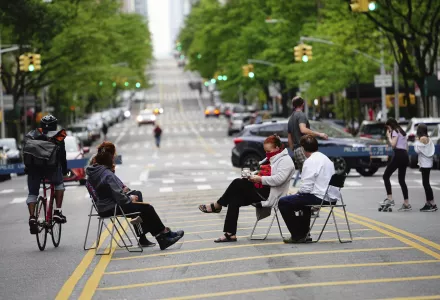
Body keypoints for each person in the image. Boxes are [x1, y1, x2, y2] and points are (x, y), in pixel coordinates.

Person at [86, 142, 184, 250]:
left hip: (104, 206)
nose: (114, 158)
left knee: (141, 204)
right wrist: (130, 198)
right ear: (110, 158)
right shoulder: (107, 174)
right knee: (147, 208)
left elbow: (110, 190)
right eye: (113, 156)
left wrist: (126, 193)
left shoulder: (95, 171)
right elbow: (120, 197)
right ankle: (162, 235)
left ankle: (160, 236)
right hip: (111, 207)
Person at [198, 135, 295, 242]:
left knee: (237, 183)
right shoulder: (272, 157)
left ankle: (217, 205)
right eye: (265, 151)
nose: (267, 153)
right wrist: (251, 175)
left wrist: (259, 179)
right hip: (261, 189)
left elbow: (279, 179)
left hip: (270, 194)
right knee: (234, 198)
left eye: (268, 150)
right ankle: (230, 234)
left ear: (277, 148)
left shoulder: (285, 160)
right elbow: (262, 172)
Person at [278, 135, 340, 243]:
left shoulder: (310, 161)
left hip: (320, 197)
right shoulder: (326, 159)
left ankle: (297, 235)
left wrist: (296, 193)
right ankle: (305, 234)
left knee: (283, 202)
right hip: (332, 197)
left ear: (302, 148)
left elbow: (306, 189)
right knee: (301, 201)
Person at [25, 115, 67, 234]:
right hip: (51, 168)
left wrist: (27, 168)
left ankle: (32, 217)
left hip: (33, 169)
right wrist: (64, 170)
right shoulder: (59, 136)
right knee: (59, 184)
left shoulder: (32, 134)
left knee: (32, 194)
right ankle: (57, 212)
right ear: (55, 124)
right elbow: (62, 155)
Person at [288, 96, 328, 172]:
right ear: (303, 104)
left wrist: (293, 149)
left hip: (296, 150)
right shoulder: (301, 115)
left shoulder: (291, 118)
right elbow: (303, 129)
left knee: (304, 175)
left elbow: (289, 136)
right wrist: (319, 134)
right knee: (312, 172)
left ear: (293, 105)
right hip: (304, 149)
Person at [381, 118, 410, 211]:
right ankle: (406, 203)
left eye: (388, 127)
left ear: (390, 125)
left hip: (398, 155)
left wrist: (388, 136)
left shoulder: (394, 131)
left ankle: (390, 199)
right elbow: (407, 147)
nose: (388, 129)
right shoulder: (402, 131)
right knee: (402, 180)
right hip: (405, 155)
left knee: (386, 176)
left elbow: (393, 144)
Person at [414, 123, 438, 212]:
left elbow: (417, 149)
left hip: (425, 164)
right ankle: (428, 203)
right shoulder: (427, 138)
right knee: (425, 183)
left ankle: (432, 203)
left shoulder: (422, 138)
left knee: (426, 184)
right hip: (426, 163)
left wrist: (417, 141)